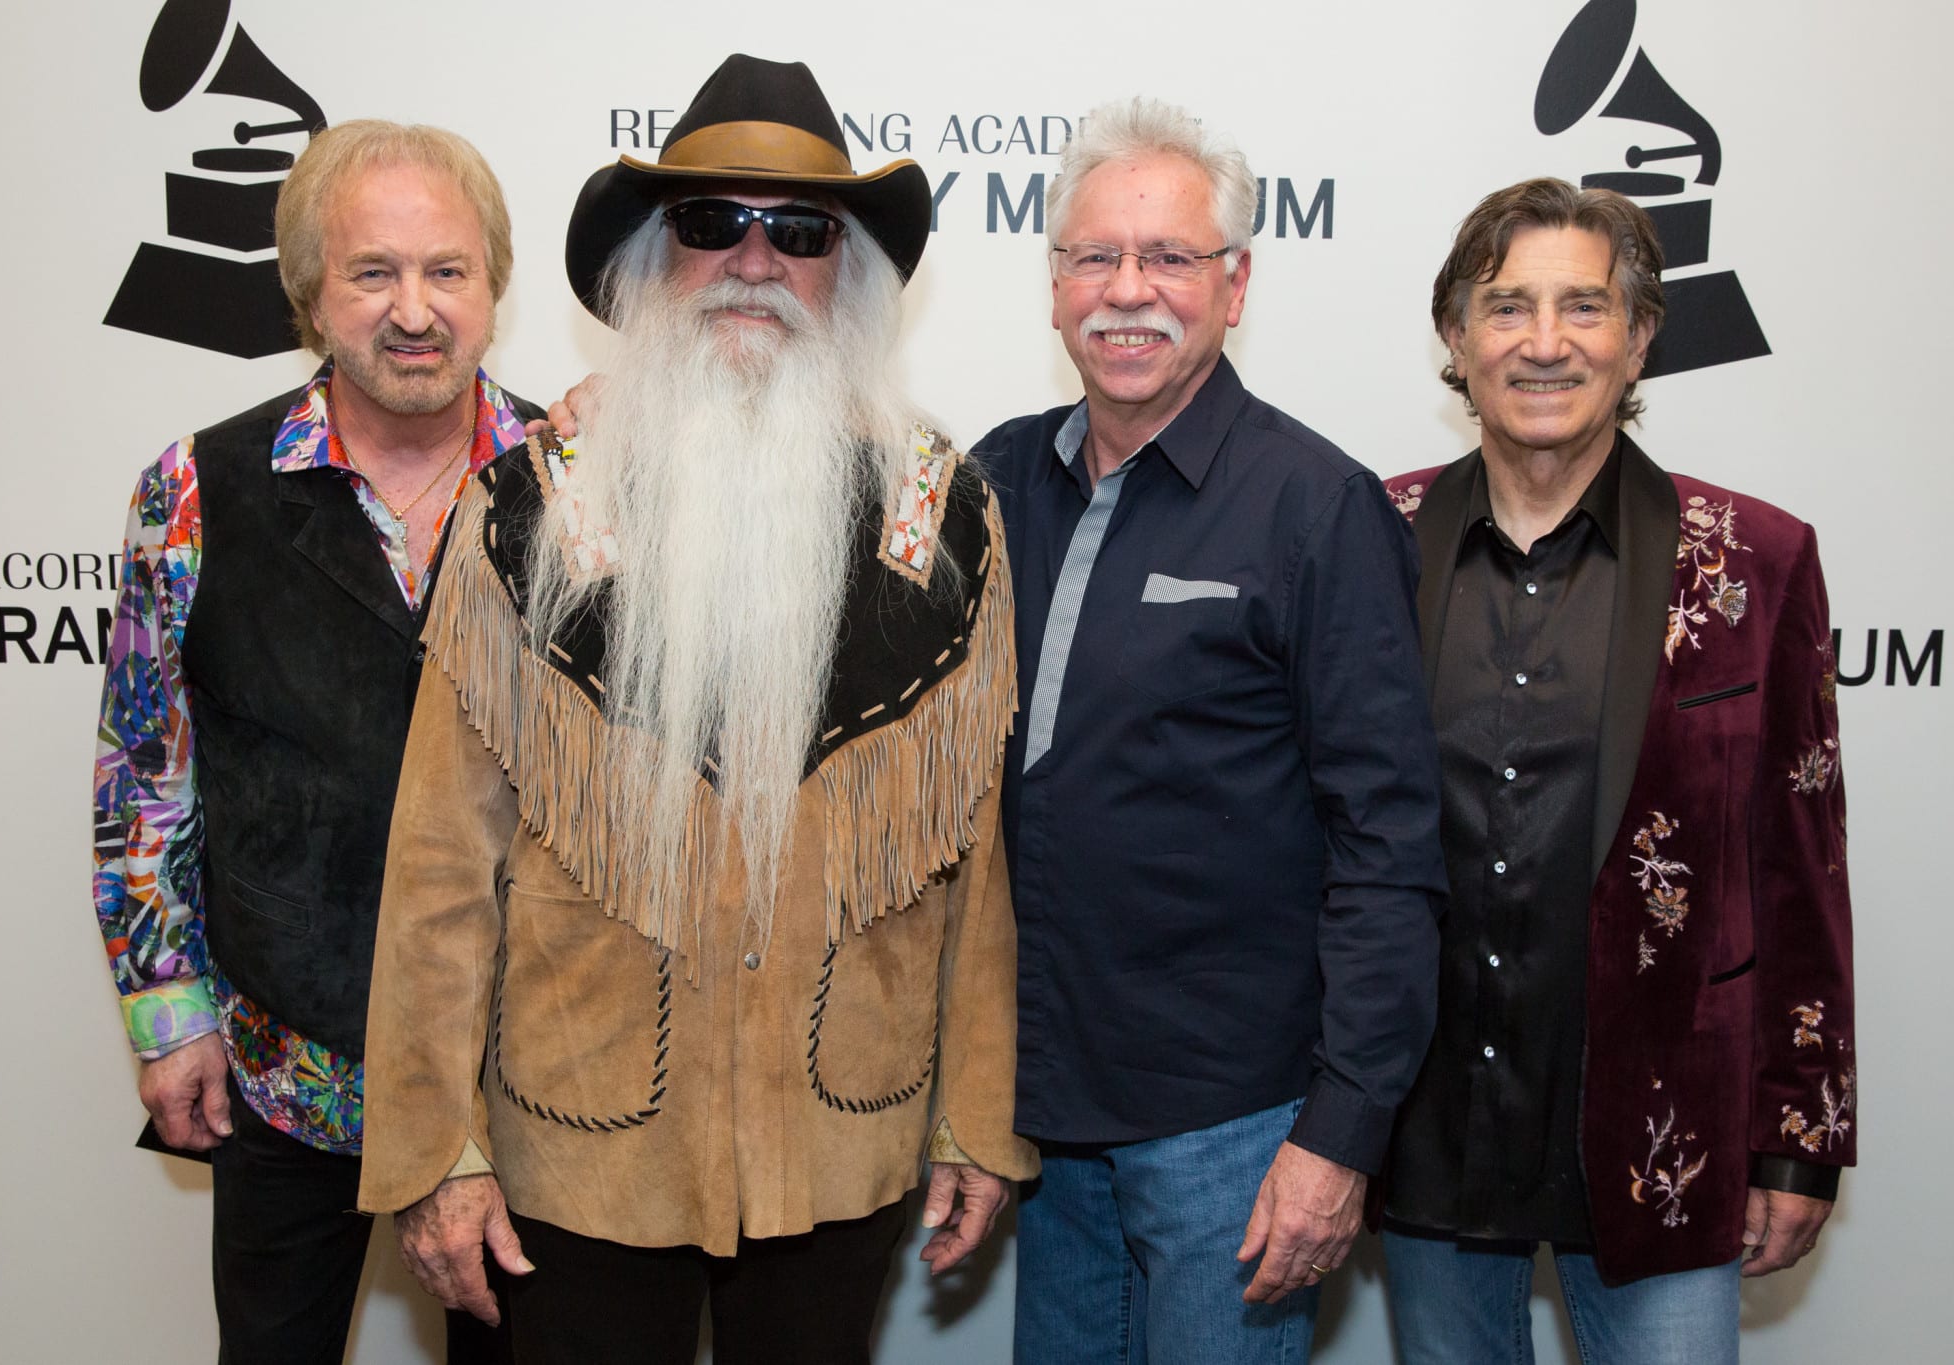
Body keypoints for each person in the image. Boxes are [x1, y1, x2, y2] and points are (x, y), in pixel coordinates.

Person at [354, 54, 1036, 1365]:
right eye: (712, 223)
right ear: (655, 255)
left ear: (849, 272)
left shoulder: (944, 519)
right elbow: (440, 863)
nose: (754, 261)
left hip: (842, 1139)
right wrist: (436, 1148)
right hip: (578, 1150)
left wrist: (976, 1116)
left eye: (800, 232)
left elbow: (979, 858)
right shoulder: (530, 508)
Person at [972, 98, 1447, 1363]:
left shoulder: (1316, 508)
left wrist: (1338, 1131)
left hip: (1233, 1133)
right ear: (1054, 284)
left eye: (1169, 258)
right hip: (1042, 1117)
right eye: (1092, 257)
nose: (1127, 291)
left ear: (1233, 287)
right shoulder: (991, 481)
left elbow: (1388, 846)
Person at [1379, 177, 1855, 1363]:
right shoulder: (1365, 541)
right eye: (1505, 307)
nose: (1543, 344)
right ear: (1454, 335)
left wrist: (1797, 1134)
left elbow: (1802, 865)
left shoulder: (1753, 561)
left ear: (1638, 337)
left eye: (1582, 308)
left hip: (1664, 1132)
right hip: (1425, 1124)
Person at [89, 119, 530, 1364]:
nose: (413, 312)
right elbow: (145, 778)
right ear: (308, 295)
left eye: (447, 271)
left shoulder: (577, 483)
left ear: (492, 287)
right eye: (371, 273)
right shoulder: (194, 489)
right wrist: (166, 1014)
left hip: (524, 1084)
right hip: (284, 1067)